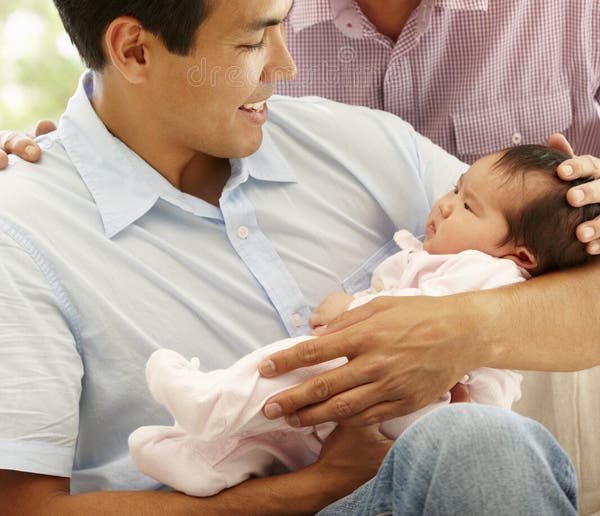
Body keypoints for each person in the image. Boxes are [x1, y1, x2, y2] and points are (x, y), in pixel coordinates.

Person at [0, 0, 578, 514]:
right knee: (477, 444)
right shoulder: (21, 235)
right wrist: (314, 488)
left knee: (479, 443)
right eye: (253, 42)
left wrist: (471, 326)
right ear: (134, 50)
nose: (287, 65)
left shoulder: (363, 146)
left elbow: (573, 277)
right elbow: (23, 507)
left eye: (284, 24)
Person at [128, 143, 598, 498]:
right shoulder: (436, 255)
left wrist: (346, 313)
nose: (445, 204)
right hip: (384, 433)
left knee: (294, 366)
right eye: (455, 188)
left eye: (469, 206)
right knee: (290, 432)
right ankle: (211, 461)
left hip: (427, 405)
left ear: (519, 254)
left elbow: (410, 331)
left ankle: (210, 402)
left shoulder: (489, 273)